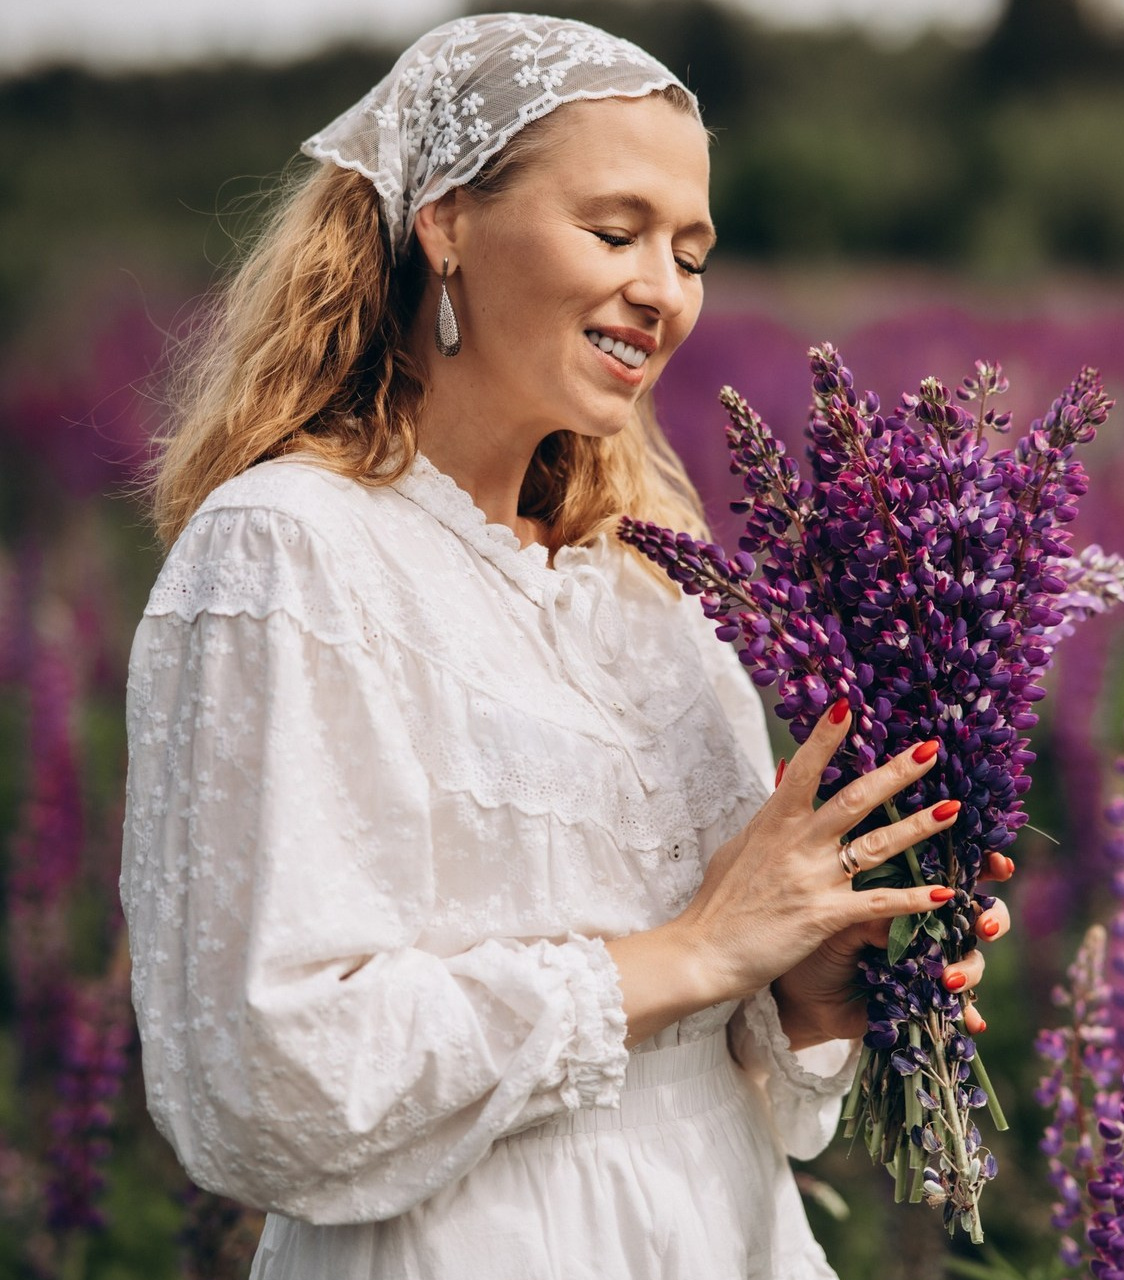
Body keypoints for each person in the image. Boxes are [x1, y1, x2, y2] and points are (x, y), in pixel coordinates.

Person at [120, 14, 1011, 1279]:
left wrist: (810, 973)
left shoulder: (650, 578)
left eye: (691, 251)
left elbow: (749, 1078)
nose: (663, 289)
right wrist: (695, 947)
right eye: (614, 231)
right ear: (445, 225)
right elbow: (260, 1081)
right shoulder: (284, 551)